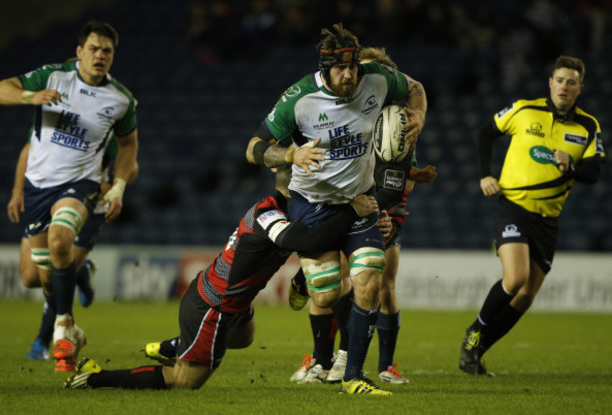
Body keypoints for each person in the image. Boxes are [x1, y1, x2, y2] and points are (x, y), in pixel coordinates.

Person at [63, 166, 381, 390]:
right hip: (213, 306)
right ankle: (92, 377)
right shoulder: (269, 217)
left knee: (244, 338)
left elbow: (323, 239)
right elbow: (310, 242)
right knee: (185, 381)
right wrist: (353, 212)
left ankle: (177, 344)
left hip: (235, 305)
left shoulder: (289, 212)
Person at [245, 24, 427, 395]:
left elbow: (416, 88)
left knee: (370, 279)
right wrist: (291, 153)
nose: (349, 75)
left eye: (353, 67)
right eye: (341, 69)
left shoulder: (376, 78)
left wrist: (419, 114)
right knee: (326, 294)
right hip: (313, 207)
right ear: (325, 68)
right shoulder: (299, 98)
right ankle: (319, 330)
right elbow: (253, 148)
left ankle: (354, 376)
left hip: (362, 204)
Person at [0, 20, 138, 372]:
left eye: (107, 51)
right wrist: (30, 96)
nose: (100, 55)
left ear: (113, 56)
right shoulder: (53, 78)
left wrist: (117, 187)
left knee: (60, 241)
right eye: (94, 49)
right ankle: (70, 319)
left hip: (82, 186)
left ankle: (59, 329)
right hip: (38, 188)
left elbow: (130, 148)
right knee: (39, 277)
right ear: (79, 52)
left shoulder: (120, 100)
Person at [288, 46, 438, 386]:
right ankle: (324, 359)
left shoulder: (398, 121)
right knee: (335, 279)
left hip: (382, 205)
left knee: (378, 281)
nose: (359, 81)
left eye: (369, 74)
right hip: (345, 204)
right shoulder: (341, 113)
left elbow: (395, 179)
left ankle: (375, 364)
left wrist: (381, 206)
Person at [459, 55, 605, 376]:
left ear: (580, 88)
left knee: (525, 297)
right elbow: (486, 132)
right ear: (550, 83)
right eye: (560, 80)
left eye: (571, 82)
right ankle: (475, 331)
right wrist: (485, 174)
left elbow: (594, 173)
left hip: (547, 220)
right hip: (513, 207)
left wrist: (573, 165)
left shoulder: (588, 126)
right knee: (516, 279)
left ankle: (477, 352)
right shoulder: (525, 110)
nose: (564, 87)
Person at [8, 136, 139, 360]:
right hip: (47, 196)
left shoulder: (105, 119)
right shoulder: (56, 111)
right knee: (32, 278)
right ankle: (80, 273)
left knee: (58, 269)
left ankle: (43, 341)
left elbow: (132, 165)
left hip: (90, 203)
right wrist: (18, 191)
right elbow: (28, 150)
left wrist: (113, 185)